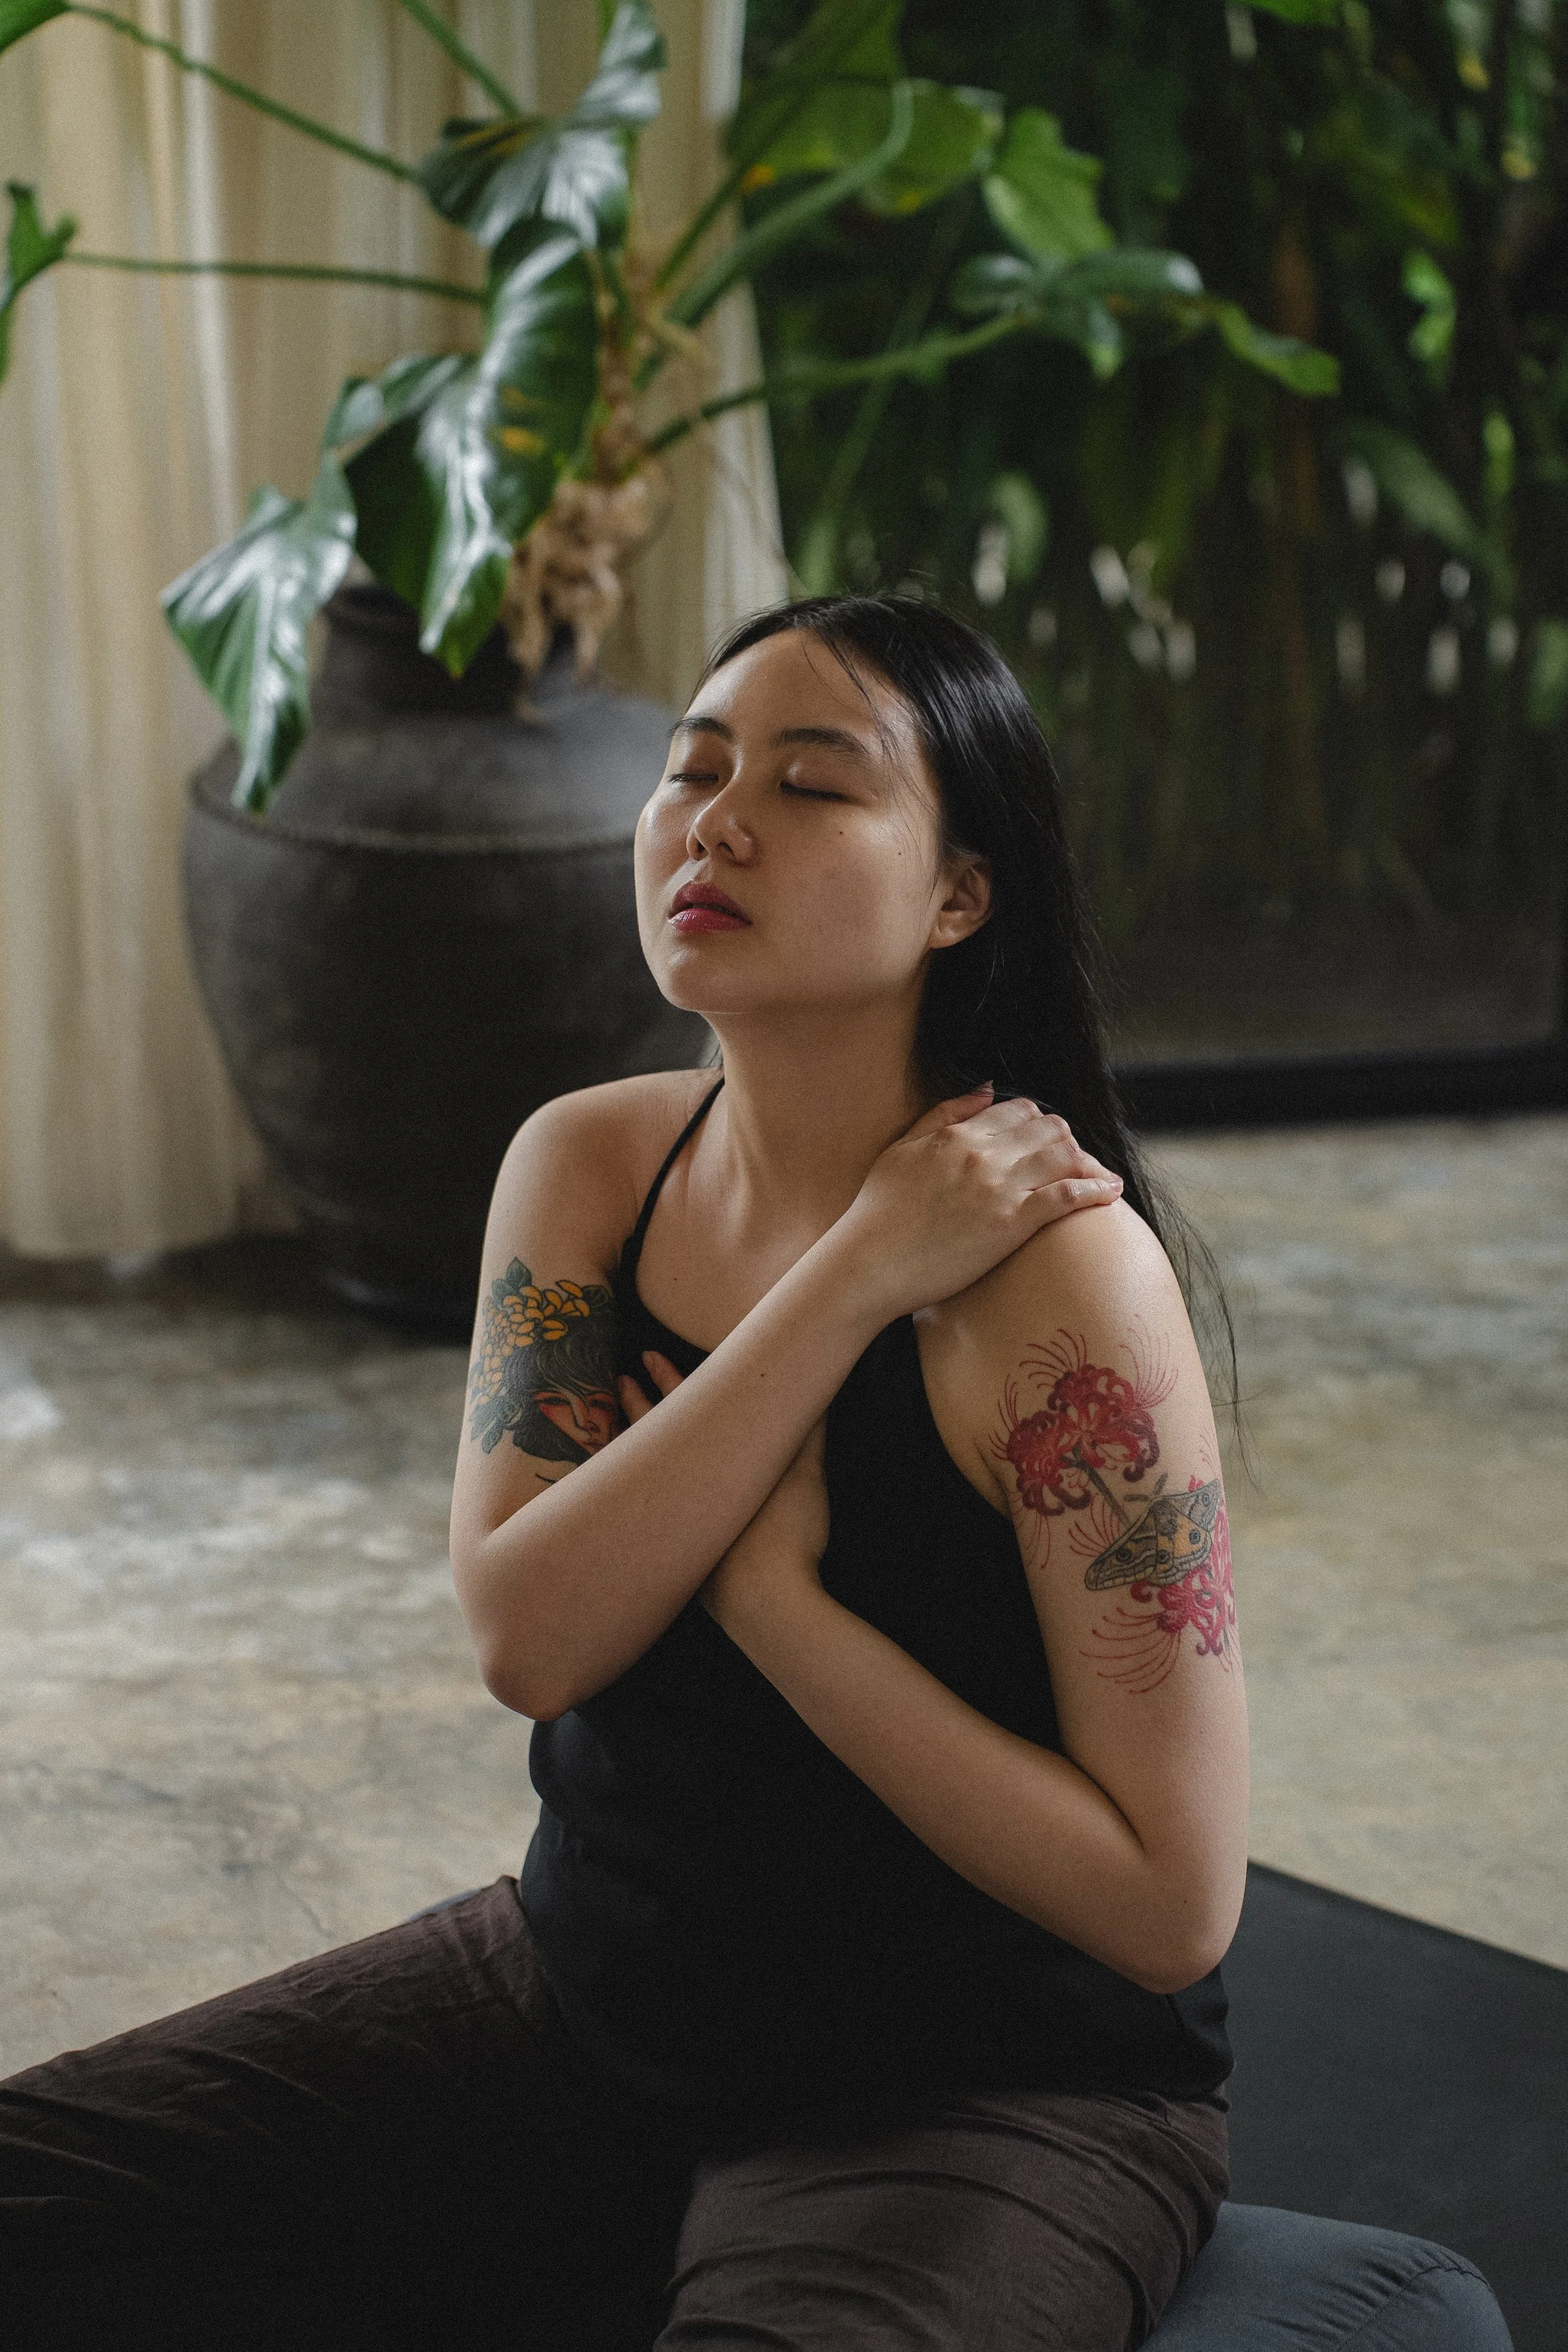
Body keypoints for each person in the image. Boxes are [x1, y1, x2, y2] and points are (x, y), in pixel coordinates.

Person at [0, 596, 1248, 2351]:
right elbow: (529, 1634)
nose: (715, 820)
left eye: (813, 786)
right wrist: (851, 1273)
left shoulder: (1057, 1282)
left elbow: (1169, 1900)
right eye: (691, 769)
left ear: (958, 893)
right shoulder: (587, 1166)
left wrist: (773, 1601)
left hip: (970, 2090)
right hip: (587, 1989)